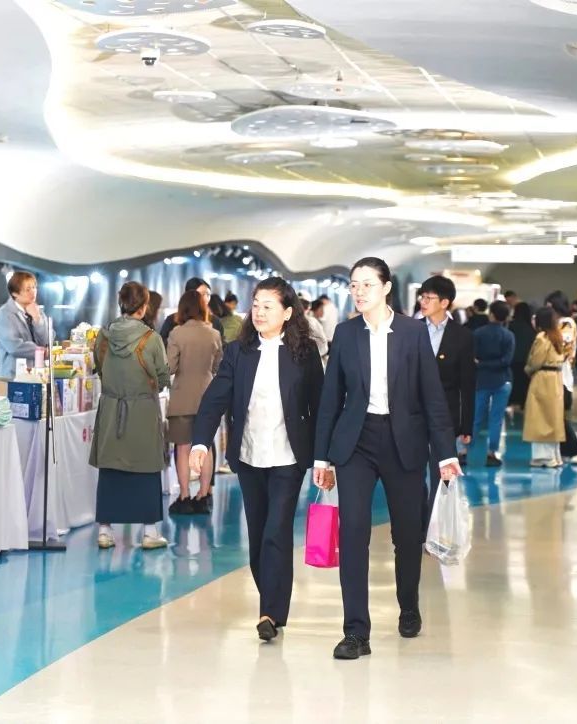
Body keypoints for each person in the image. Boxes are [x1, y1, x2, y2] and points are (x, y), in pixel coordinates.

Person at [312, 257, 460, 660]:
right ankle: (355, 632)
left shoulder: (413, 332)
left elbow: (432, 396)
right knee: (353, 532)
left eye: (367, 284)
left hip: (404, 441)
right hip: (356, 443)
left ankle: (408, 605)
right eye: (354, 285)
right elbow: (331, 398)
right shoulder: (346, 334)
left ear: (386, 288)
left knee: (407, 535)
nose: (359, 292)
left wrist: (445, 452)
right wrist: (321, 458)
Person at [189, 277, 323, 642]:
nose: (259, 312)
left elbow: (319, 405)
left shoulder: (304, 352)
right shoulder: (239, 351)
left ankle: (270, 612)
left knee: (277, 531)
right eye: (256, 305)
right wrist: (200, 443)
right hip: (249, 456)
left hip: (288, 457)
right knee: (259, 535)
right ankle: (272, 602)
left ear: (288, 312)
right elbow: (215, 399)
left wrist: (323, 458)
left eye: (268, 306)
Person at [90, 282, 171, 549]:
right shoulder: (151, 339)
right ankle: (149, 532)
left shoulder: (103, 336)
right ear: (144, 306)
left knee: (110, 467)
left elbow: (100, 366)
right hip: (143, 411)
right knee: (147, 468)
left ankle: (105, 531)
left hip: (111, 408)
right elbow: (162, 377)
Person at [167, 291, 223, 514]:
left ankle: (184, 496)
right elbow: (218, 367)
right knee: (205, 446)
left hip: (182, 398)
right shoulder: (214, 334)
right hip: (208, 396)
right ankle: (204, 494)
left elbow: (170, 367)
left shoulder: (176, 334)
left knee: (182, 448)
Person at [418, 276, 475, 476]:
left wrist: (466, 425)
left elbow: (467, 384)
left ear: (444, 303)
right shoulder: (410, 330)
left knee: (443, 471)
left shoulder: (462, 336)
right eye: (422, 297)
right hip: (413, 411)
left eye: (429, 298)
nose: (423, 302)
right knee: (412, 470)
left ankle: (440, 497)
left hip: (446, 413)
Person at [473, 301, 515, 466]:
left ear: (491, 315)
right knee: (496, 419)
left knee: (475, 417)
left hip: (481, 380)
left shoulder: (478, 334)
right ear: (506, 317)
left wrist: (481, 364)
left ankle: (462, 451)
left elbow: (472, 357)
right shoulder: (509, 336)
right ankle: (492, 453)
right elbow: (506, 361)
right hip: (502, 380)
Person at [523, 307, 566, 468]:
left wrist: (528, 370)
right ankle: (554, 456)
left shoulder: (542, 337)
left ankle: (542, 457)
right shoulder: (558, 336)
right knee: (553, 418)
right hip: (556, 378)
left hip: (543, 378)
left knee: (539, 417)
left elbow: (536, 360)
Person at [0, 271, 50, 378]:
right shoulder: (4, 314)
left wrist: (37, 319)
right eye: (28, 289)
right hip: (13, 376)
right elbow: (14, 346)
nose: (33, 292)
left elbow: (46, 341)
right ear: (15, 293)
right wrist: (41, 352)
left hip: (36, 373)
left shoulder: (38, 311)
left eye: (34, 287)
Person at [160, 277, 222, 344]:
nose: (206, 298)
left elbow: (221, 345)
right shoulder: (172, 320)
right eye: (202, 294)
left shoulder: (215, 321)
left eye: (208, 294)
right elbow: (162, 343)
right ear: (189, 296)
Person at [557, 316, 577, 464]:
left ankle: (575, 450)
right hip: (563, 379)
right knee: (559, 418)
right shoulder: (565, 325)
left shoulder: (565, 324)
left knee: (560, 419)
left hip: (562, 380)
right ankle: (565, 450)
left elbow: (563, 353)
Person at [508, 302, 536, 410]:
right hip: (526, 362)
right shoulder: (531, 329)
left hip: (512, 361)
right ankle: (522, 407)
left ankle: (511, 407)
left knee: (513, 385)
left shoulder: (511, 326)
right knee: (524, 386)